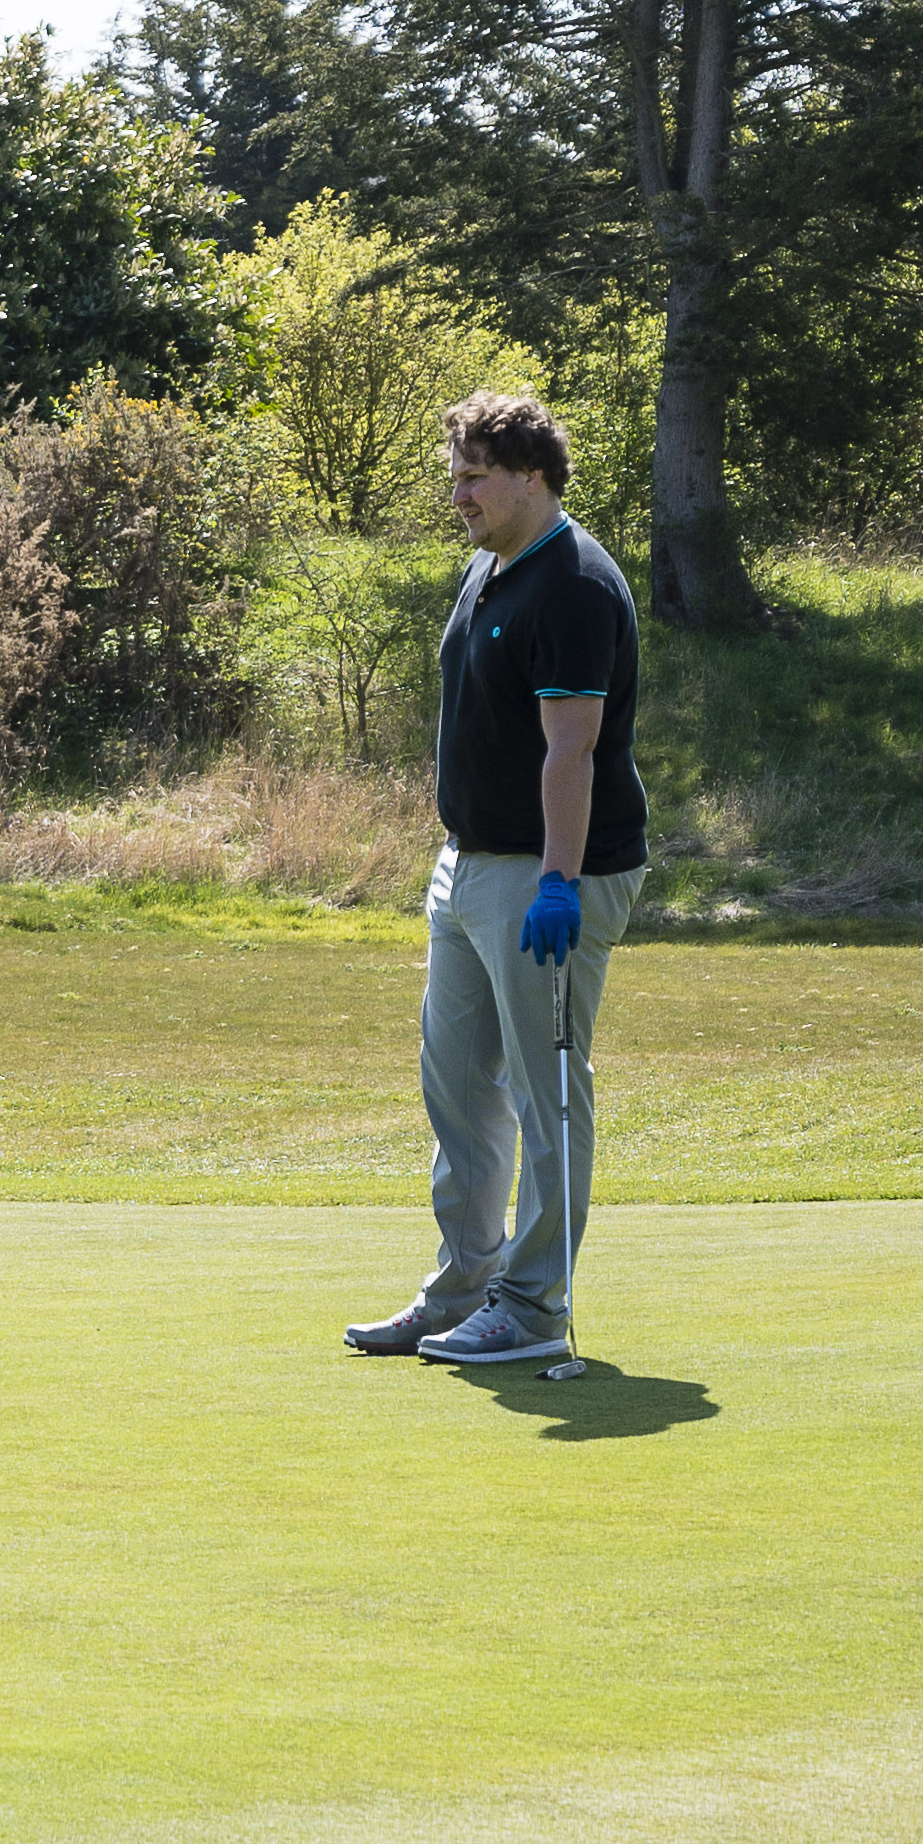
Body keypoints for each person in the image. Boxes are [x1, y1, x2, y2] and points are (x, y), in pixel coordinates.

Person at [348, 392, 647, 1370]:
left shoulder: (574, 585)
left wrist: (560, 881)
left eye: (476, 475)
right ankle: (466, 1287)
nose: (459, 493)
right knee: (458, 1089)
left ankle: (535, 1304)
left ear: (532, 475)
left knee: (545, 1089)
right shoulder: (491, 565)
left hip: (546, 877)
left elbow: (574, 753)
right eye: (455, 476)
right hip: (468, 868)